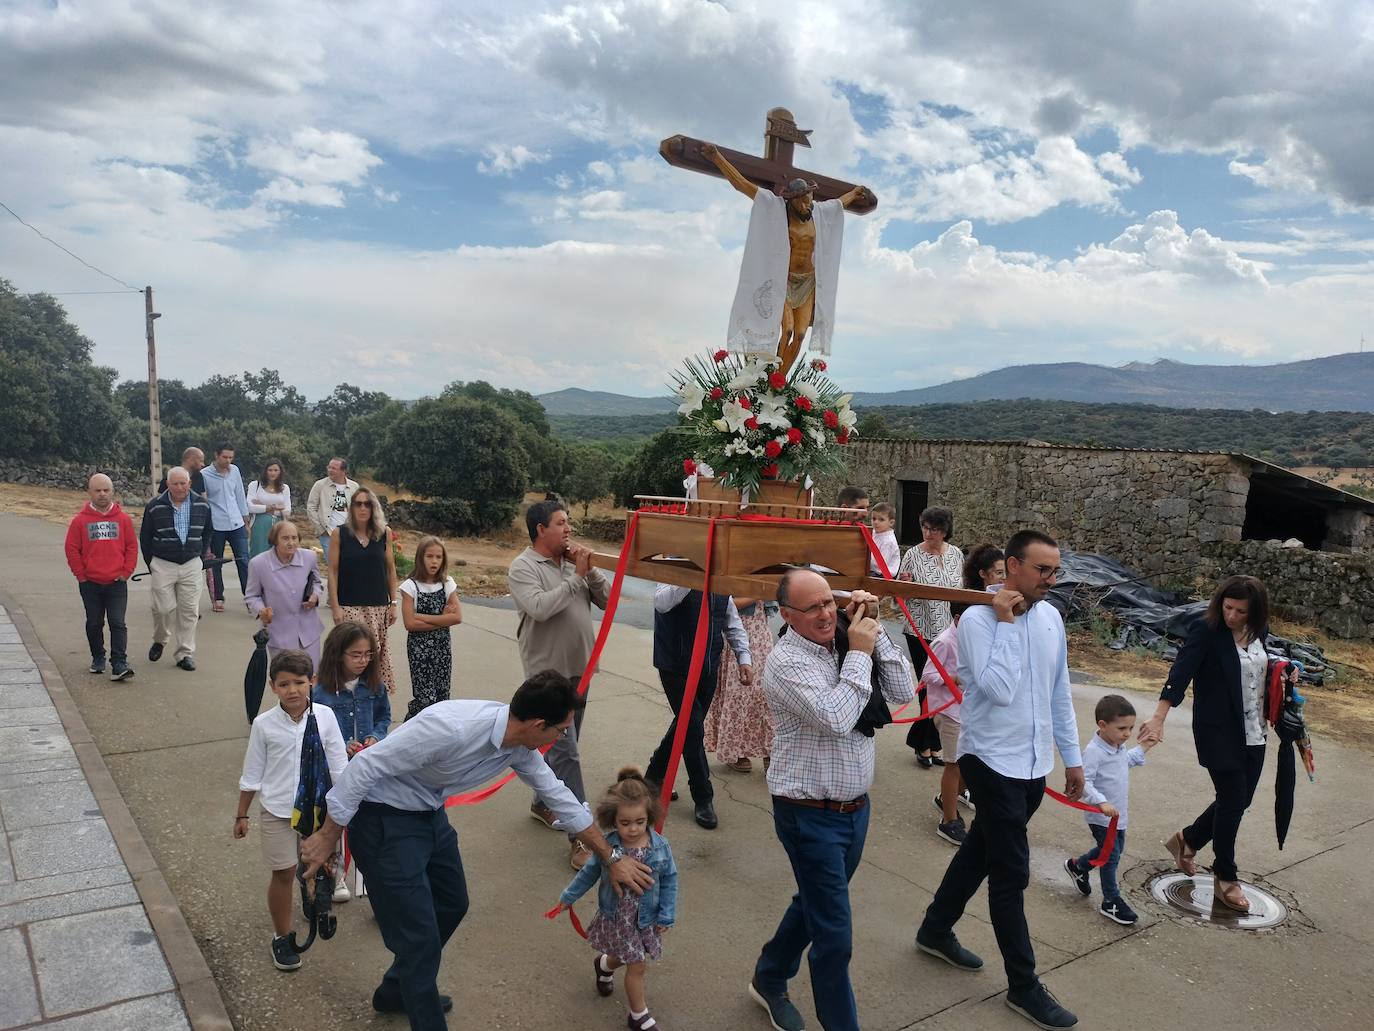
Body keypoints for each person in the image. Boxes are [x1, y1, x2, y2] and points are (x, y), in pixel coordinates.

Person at [299, 671, 656, 1031]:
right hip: (383, 818)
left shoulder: (520, 746)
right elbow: (364, 765)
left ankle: (396, 989)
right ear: (537, 724)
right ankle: (422, 1008)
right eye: (561, 729)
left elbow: (561, 797)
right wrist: (330, 835)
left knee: (453, 902)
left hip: (428, 813)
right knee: (419, 941)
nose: (562, 736)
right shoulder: (450, 728)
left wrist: (612, 858)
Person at [915, 529, 1085, 1031]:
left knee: (980, 851)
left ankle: (934, 928)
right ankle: (1024, 985)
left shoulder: (1053, 618)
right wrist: (1008, 622)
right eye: (1042, 570)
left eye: (1056, 571)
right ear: (1011, 566)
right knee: (1011, 873)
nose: (1052, 580)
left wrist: (1071, 760)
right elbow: (998, 690)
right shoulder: (978, 620)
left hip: (1033, 765)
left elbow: (1058, 693)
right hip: (990, 761)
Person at [748, 572, 913, 1031]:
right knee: (834, 937)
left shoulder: (845, 639)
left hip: (855, 810)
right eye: (812, 608)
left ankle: (769, 974)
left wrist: (873, 632)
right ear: (786, 616)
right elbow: (839, 717)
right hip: (808, 815)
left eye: (829, 602)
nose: (825, 614)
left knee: (817, 905)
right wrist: (859, 652)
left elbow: (902, 693)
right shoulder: (785, 663)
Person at [1140, 574, 1274, 914]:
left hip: (1255, 731)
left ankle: (1189, 839)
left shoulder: (1260, 632)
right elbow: (1180, 673)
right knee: (1231, 799)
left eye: (1240, 611)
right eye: (1227, 608)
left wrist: (1285, 672)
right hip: (1218, 731)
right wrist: (1158, 717)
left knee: (1238, 801)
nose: (1232, 616)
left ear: (1254, 612)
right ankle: (1225, 878)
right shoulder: (1207, 630)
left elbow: (1257, 671)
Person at [700, 137, 872, 366]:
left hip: (808, 283)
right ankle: (771, 373)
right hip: (784, 280)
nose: (807, 206)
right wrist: (716, 157)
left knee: (800, 335)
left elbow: (839, 203)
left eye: (809, 200)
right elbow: (742, 184)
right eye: (802, 202)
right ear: (791, 200)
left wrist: (856, 192)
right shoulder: (777, 211)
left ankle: (780, 380)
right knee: (787, 330)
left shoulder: (818, 214)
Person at [508, 500, 609, 868]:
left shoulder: (573, 564)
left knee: (565, 747)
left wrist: (589, 571)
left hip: (581, 669)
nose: (568, 530)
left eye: (568, 524)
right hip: (547, 677)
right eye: (561, 523)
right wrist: (576, 577)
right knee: (567, 753)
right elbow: (540, 608)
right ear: (540, 529)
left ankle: (541, 801)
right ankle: (580, 838)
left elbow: (608, 599)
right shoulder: (523, 567)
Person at [234, 649, 347, 972]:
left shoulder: (325, 717)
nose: (292, 690)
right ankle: (282, 937)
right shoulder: (264, 724)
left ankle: (317, 905)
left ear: (311, 681)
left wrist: (344, 810)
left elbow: (339, 766)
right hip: (278, 810)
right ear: (273, 687)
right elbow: (252, 772)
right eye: (284, 684)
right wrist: (242, 814)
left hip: (317, 810)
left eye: (299, 682)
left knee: (319, 866)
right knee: (283, 872)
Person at [554, 767, 678, 1031]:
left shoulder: (660, 847)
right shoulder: (608, 847)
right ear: (613, 819)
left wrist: (667, 913)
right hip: (618, 916)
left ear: (649, 816)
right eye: (625, 823)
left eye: (640, 822)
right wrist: (568, 897)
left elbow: (669, 881)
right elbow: (587, 875)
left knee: (624, 956)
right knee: (637, 965)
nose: (633, 829)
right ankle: (639, 1016)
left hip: (645, 919)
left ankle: (603, 964)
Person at [646, 584, 752, 830]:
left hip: (708, 667)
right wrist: (692, 576)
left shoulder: (720, 581)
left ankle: (652, 777)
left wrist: (743, 657)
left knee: (684, 728)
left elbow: (731, 621)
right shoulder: (676, 572)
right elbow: (661, 602)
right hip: (675, 665)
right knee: (692, 730)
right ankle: (703, 796)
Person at [312, 621, 393, 904]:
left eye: (368, 654)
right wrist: (340, 744)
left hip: (368, 767)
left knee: (368, 826)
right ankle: (335, 877)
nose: (362, 661)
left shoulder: (374, 685)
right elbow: (315, 731)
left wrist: (375, 736)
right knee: (335, 823)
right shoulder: (320, 692)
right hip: (336, 770)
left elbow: (384, 717)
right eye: (355, 654)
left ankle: (367, 884)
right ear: (338, 654)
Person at [1064, 695, 1156, 925]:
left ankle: (1077, 866)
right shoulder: (1095, 751)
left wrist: (1145, 746)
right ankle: (1111, 901)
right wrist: (1101, 802)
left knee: (1110, 851)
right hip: (1101, 816)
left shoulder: (1118, 747)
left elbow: (1127, 761)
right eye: (1122, 728)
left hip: (1118, 816)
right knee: (1110, 857)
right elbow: (1085, 782)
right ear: (1102, 725)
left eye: (1131, 728)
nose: (1127, 734)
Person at [897, 506, 964, 766]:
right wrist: (903, 585)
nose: (928, 532)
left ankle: (931, 743)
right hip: (920, 630)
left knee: (946, 688)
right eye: (925, 527)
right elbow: (899, 595)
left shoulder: (956, 554)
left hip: (949, 633)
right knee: (928, 686)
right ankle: (925, 744)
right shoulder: (912, 554)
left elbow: (962, 591)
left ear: (945, 530)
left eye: (934, 528)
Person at [64, 473, 138, 681]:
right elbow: (71, 549)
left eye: (106, 490)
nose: (103, 494)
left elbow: (132, 546)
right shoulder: (80, 521)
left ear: (112, 491)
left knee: (118, 623)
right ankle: (98, 656)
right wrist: (81, 575)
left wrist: (126, 572)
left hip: (117, 583)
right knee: (95, 623)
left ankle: (119, 662)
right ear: (90, 492)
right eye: (98, 490)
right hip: (90, 583)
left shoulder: (123, 519)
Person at [140, 467, 213, 671]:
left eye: (183, 483)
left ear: (189, 483)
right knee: (162, 608)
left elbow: (208, 532)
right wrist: (151, 563)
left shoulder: (202, 504)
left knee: (189, 611)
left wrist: (199, 555)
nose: (180, 487)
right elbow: (145, 537)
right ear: (167, 484)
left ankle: (184, 653)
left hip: (191, 563)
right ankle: (160, 639)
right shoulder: (155, 506)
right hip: (163, 562)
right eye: (175, 483)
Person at [328, 486, 398, 693]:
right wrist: (335, 607)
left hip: (378, 606)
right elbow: (332, 572)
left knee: (373, 654)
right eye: (358, 503)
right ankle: (346, 695)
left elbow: (391, 570)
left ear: (373, 507)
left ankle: (373, 696)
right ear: (351, 508)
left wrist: (393, 603)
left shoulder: (384, 533)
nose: (363, 508)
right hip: (349, 605)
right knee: (352, 654)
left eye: (367, 504)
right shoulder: (339, 534)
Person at [245, 521, 325, 675]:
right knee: (287, 679)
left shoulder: (309, 557)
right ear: (275, 540)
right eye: (285, 538)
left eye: (294, 538)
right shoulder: (258, 564)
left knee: (311, 677)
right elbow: (251, 596)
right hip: (279, 633)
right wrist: (262, 610)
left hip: (308, 631)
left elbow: (317, 581)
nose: (291, 543)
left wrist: (315, 595)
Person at [705, 597, 775, 774]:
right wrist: (758, 592)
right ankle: (736, 751)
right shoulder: (734, 574)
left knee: (767, 696)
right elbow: (725, 604)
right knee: (738, 695)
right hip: (737, 632)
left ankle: (770, 752)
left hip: (760, 634)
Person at [925, 602, 973, 846]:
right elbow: (928, 675)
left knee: (969, 762)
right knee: (954, 765)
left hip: (967, 710)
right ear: (957, 617)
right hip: (949, 712)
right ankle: (948, 820)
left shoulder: (973, 638)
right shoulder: (945, 641)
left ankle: (948, 797)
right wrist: (953, 678)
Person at [400, 536, 462, 721]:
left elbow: (457, 617)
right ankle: (407, 731)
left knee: (442, 695)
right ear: (420, 558)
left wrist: (420, 616)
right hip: (419, 650)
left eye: (438, 557)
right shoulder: (410, 586)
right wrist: (443, 619)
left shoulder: (447, 583)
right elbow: (409, 624)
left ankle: (436, 738)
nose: (434, 561)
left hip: (442, 648)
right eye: (429, 556)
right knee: (425, 698)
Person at [202, 441, 251, 613]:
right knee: (215, 562)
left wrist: (245, 521)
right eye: (225, 457)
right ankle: (217, 597)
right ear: (216, 455)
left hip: (236, 522)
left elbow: (239, 495)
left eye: (231, 457)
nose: (228, 461)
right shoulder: (205, 474)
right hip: (216, 524)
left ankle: (250, 597)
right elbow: (204, 501)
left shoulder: (235, 471)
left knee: (244, 560)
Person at [307, 458, 358, 563]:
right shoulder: (320, 485)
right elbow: (311, 507)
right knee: (333, 565)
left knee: (349, 564)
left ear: (343, 471)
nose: (330, 470)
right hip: (328, 533)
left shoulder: (354, 487)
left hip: (349, 533)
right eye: (329, 467)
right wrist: (321, 530)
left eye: (334, 468)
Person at [247, 458, 291, 558]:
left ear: (280, 472)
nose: (272, 473)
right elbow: (250, 507)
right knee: (259, 553)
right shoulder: (255, 485)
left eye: (276, 470)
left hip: (278, 524)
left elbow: (287, 510)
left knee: (278, 554)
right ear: (265, 471)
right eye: (270, 470)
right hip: (260, 524)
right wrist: (272, 507)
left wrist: (261, 504)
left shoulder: (284, 488)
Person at [868, 501, 900, 576]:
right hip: (872, 570)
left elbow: (879, 563)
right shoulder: (874, 533)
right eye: (874, 519)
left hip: (882, 575)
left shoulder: (889, 541)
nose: (876, 522)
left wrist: (862, 558)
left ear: (891, 522)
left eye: (881, 519)